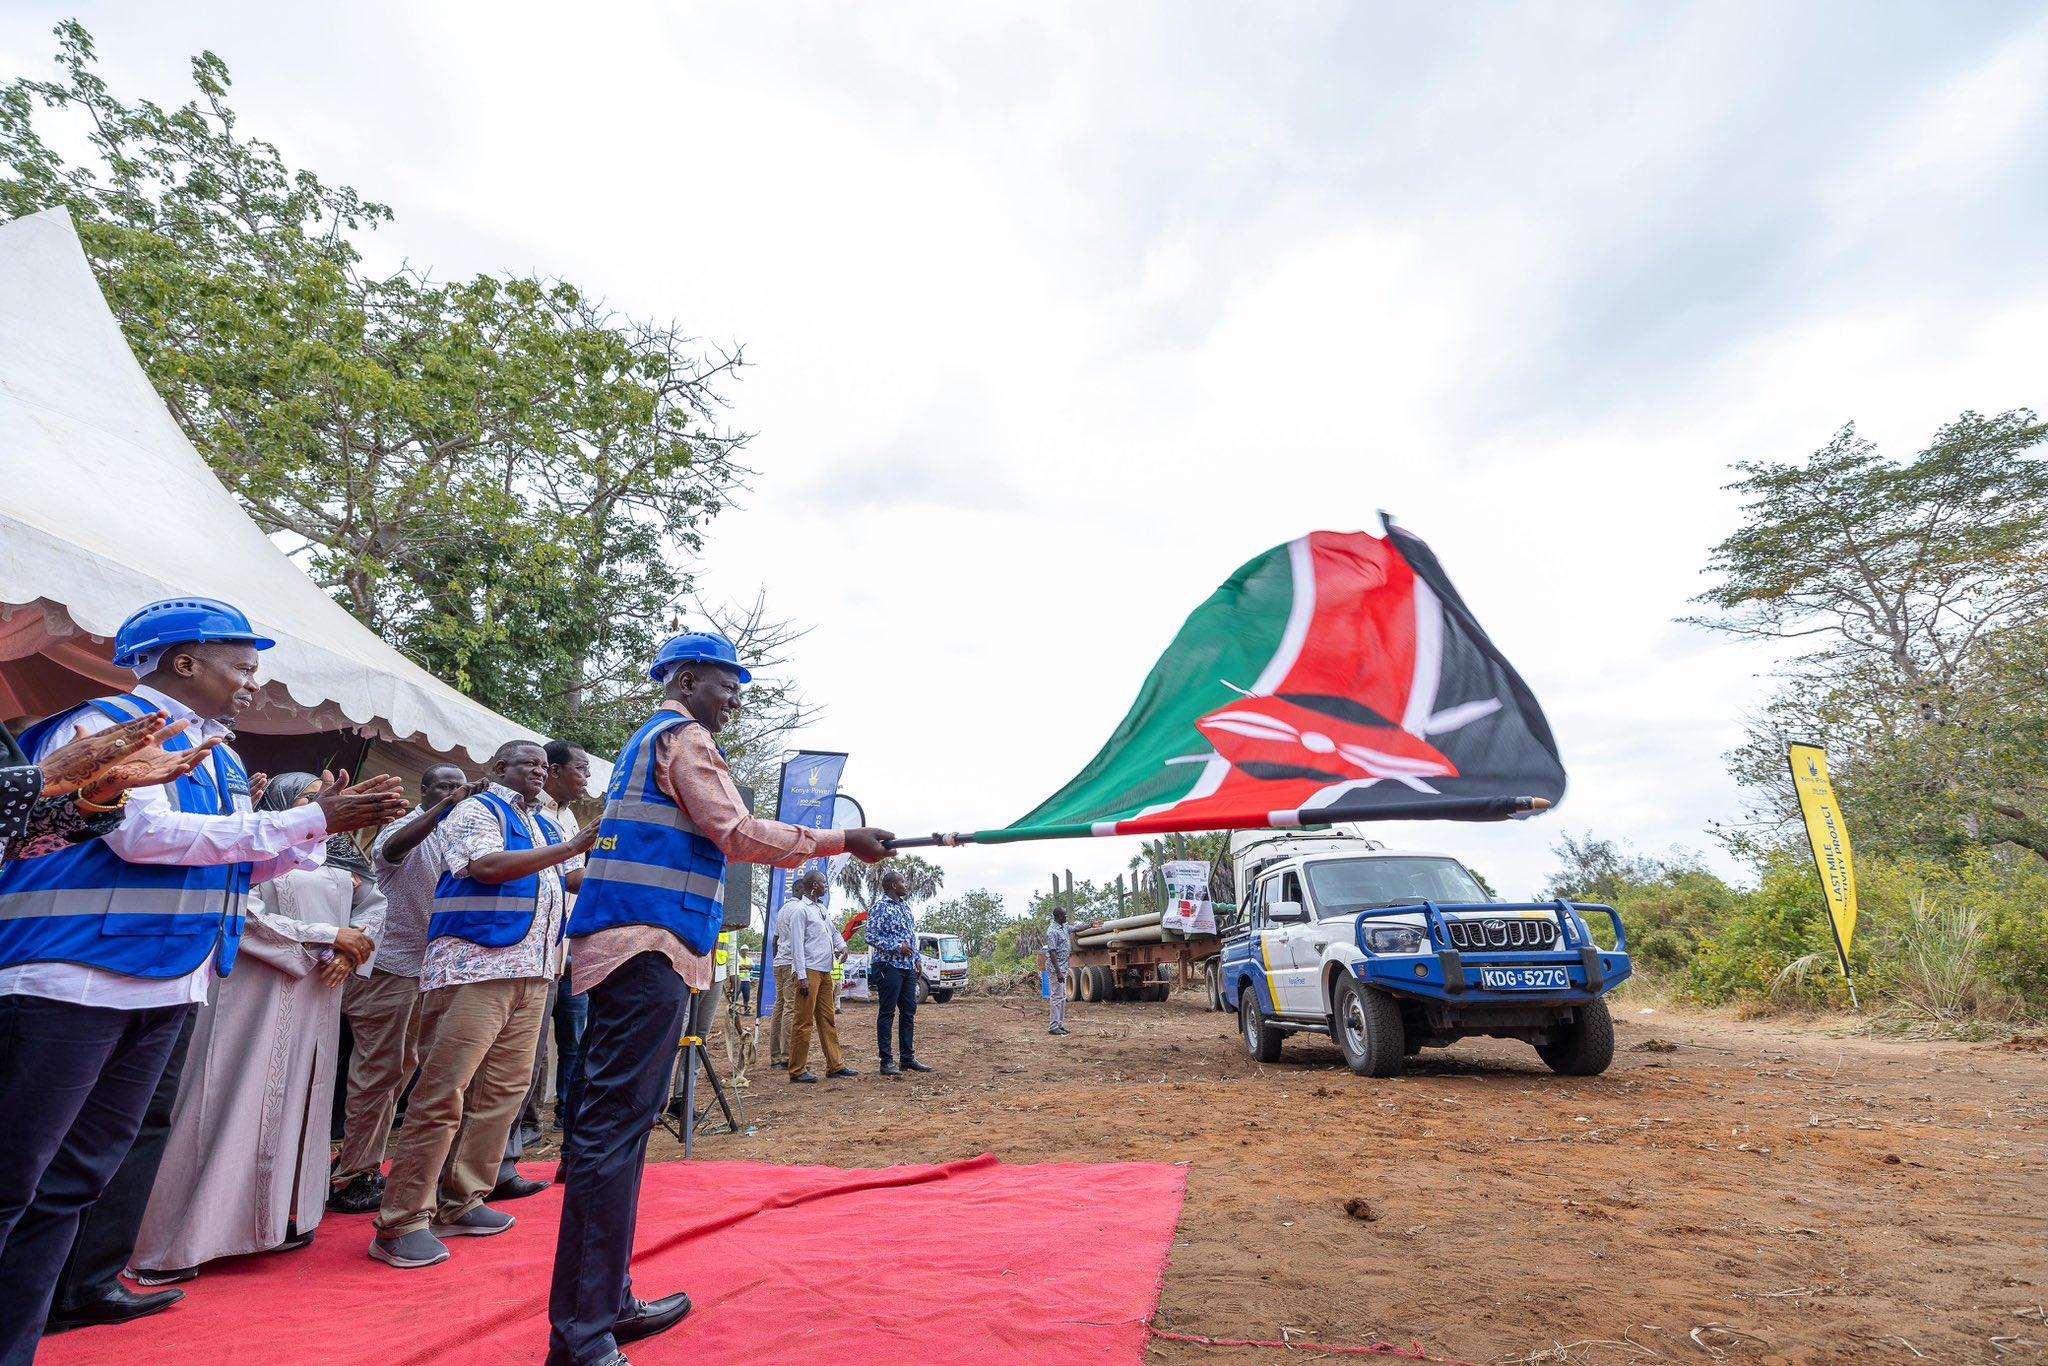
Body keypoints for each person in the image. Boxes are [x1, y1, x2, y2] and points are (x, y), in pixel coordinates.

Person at [0, 597, 406, 1358]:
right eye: (241, 663)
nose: (253, 679)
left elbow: (233, 862)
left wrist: (319, 829)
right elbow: (141, 836)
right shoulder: (107, 726)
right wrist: (307, 822)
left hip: (166, 980)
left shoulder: (215, 751)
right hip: (72, 978)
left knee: (76, 1178)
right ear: (185, 661)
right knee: (16, 1181)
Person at [547, 630, 893, 1366]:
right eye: (725, 684)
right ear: (684, 677)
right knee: (612, 1138)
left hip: (641, 948)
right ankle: (582, 1336)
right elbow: (736, 833)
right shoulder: (684, 739)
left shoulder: (652, 743)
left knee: (623, 1134)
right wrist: (842, 839)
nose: (735, 698)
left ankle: (606, 1305)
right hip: (645, 949)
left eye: (740, 687)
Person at [129, 774, 390, 1282]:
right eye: (310, 800)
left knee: (299, 1103)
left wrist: (351, 948)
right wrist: (324, 937)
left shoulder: (341, 854)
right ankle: (186, 1239)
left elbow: (373, 907)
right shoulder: (253, 841)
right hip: (253, 991)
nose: (324, 808)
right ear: (279, 804)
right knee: (229, 1100)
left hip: (318, 993)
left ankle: (278, 1220)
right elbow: (238, 911)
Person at [368, 740, 597, 1271]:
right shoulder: (475, 809)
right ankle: (401, 1221)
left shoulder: (543, 824)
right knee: (443, 1092)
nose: (540, 773)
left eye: (544, 766)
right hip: (474, 968)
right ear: (498, 769)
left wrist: (617, 862)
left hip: (534, 971)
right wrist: (572, 848)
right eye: (529, 765)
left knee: (502, 1092)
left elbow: (567, 880)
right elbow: (486, 866)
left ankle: (463, 1197)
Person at [327, 763, 475, 1215]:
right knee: (378, 1073)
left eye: (458, 786)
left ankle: (362, 1164)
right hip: (386, 968)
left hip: (427, 971)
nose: (454, 792)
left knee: (401, 1071)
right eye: (444, 786)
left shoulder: (459, 837)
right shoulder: (405, 828)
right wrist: (447, 808)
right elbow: (392, 849)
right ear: (424, 789)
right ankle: (354, 1177)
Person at [781, 869, 853, 1083]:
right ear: (813, 886)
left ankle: (835, 1065)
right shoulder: (800, 911)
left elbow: (833, 932)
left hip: (825, 970)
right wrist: (801, 976)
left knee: (827, 1019)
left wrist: (843, 946)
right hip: (808, 972)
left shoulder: (821, 909)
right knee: (803, 1021)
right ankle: (797, 1070)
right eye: (823, 882)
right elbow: (796, 946)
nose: (826, 886)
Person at [867, 869, 931, 1076]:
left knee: (909, 1011)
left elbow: (910, 937)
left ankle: (907, 1058)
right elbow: (871, 936)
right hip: (888, 966)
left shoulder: (905, 907)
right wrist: (896, 947)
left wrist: (917, 958)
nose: (906, 885)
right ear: (893, 885)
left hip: (907, 967)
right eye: (903, 882)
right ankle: (886, 1062)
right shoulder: (880, 907)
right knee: (887, 1012)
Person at [1042, 906, 1072, 1036]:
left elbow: (1076, 928)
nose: (1066, 917)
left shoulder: (1063, 927)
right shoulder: (1052, 931)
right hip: (1056, 970)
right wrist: (1058, 971)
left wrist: (1090, 925)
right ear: (1059, 916)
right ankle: (1053, 1026)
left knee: (1062, 997)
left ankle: (1060, 1024)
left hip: (1064, 967)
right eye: (1064, 915)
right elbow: (1052, 952)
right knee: (1056, 997)